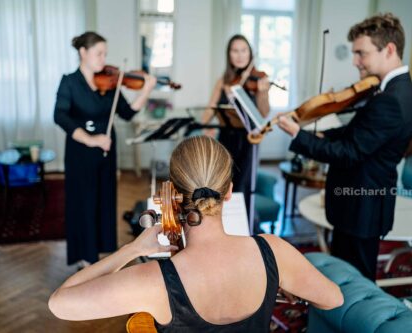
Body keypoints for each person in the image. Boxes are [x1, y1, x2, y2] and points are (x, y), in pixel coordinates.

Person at [49, 136, 343, 331]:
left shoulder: (155, 280)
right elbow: (334, 299)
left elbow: (59, 303)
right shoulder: (273, 251)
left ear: (173, 194)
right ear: (229, 191)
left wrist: (133, 249)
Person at [278, 13, 412, 281]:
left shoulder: (391, 99)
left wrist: (300, 137)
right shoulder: (394, 89)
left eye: (361, 53)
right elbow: (358, 132)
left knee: (356, 283)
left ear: (389, 49)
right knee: (346, 276)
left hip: (362, 206)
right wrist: (319, 134)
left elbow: (350, 153)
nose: (355, 61)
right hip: (362, 204)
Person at [54, 31, 157, 268]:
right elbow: (60, 116)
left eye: (105, 54)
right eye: (98, 53)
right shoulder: (69, 82)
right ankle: (85, 258)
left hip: (106, 154)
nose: (103, 59)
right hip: (81, 154)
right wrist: (91, 139)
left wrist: (146, 90)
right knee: (84, 203)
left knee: (104, 202)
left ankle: (100, 254)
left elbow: (128, 112)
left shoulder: (110, 82)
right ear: (83, 52)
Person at [201, 34, 270, 219]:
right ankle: (226, 226)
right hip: (225, 140)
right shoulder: (223, 81)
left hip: (248, 140)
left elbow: (263, 113)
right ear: (229, 55)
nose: (239, 55)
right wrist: (206, 124)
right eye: (235, 51)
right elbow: (209, 110)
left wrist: (262, 94)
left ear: (250, 53)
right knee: (223, 186)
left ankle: (244, 227)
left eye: (243, 50)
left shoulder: (259, 78)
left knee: (242, 187)